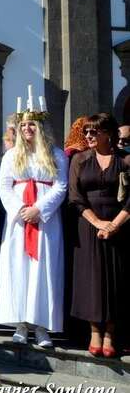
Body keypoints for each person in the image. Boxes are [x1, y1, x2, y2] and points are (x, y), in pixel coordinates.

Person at [0, 112, 68, 348]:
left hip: (45, 222)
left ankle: (41, 327)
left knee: (44, 269)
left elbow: (61, 186)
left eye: (32, 125)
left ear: (41, 127)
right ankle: (20, 325)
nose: (27, 128)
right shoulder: (11, 156)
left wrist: (39, 209)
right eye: (23, 125)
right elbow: (4, 186)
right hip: (19, 222)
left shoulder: (56, 155)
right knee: (18, 267)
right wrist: (20, 209)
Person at [69, 113, 130, 358]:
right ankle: (94, 330)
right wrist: (98, 223)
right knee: (91, 280)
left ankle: (111, 334)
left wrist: (114, 225)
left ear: (108, 134)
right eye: (86, 132)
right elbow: (75, 197)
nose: (88, 136)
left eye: (94, 132)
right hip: (88, 225)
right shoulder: (79, 160)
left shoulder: (125, 160)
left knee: (117, 278)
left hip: (121, 225)